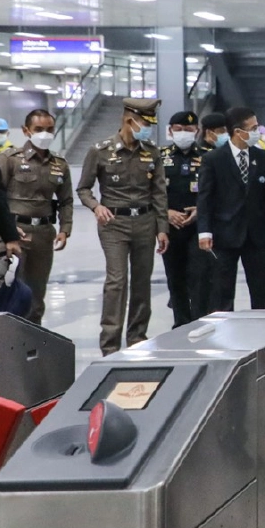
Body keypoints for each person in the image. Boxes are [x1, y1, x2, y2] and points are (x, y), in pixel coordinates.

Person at [77, 98, 168, 353]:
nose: (148, 129)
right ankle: (110, 344)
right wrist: (96, 206)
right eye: (145, 124)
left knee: (142, 282)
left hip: (145, 222)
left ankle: (137, 338)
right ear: (130, 120)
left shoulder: (152, 152)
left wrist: (162, 228)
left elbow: (159, 193)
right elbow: (83, 188)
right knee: (116, 281)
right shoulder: (100, 150)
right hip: (113, 224)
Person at [197, 106, 265, 311]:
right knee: (223, 288)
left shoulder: (263, 157)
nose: (257, 132)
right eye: (253, 128)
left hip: (255, 234)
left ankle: (263, 324)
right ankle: (223, 325)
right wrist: (204, 231)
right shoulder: (213, 159)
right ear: (238, 132)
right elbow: (205, 198)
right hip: (224, 234)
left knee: (261, 287)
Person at [0, 109, 70, 324]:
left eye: (49, 129)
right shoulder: (10, 159)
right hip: (14, 232)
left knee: (36, 296)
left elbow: (66, 200)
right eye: (38, 129)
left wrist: (65, 229)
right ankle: (3, 340)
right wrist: (5, 230)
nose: (44, 134)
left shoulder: (59, 164)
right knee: (9, 291)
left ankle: (32, 340)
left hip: (43, 234)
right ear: (26, 130)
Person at [159, 110, 211, 327]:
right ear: (170, 131)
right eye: (178, 129)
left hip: (199, 226)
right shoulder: (159, 157)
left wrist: (200, 209)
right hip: (170, 226)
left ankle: (199, 321)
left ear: (197, 131)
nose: (183, 133)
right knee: (175, 277)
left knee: (199, 276)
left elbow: (217, 190)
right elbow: (151, 192)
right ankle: (180, 323)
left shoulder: (209, 155)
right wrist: (166, 213)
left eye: (188, 130)